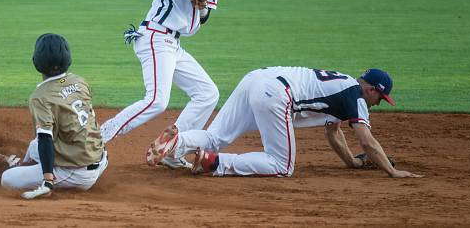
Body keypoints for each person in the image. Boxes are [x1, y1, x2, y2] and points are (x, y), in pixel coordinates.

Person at [99, 0, 233, 169]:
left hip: (174, 44)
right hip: (155, 35)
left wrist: (202, 3)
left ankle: (172, 149)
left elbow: (203, 18)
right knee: (157, 100)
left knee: (207, 93)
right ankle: (97, 138)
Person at [147, 67, 423, 178]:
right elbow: (367, 140)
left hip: (257, 77)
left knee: (217, 136)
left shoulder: (342, 84)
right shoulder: (356, 97)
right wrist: (392, 171)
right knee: (281, 166)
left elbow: (334, 132)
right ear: (372, 89)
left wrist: (351, 162)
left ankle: (178, 141)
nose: (378, 103)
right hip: (276, 94)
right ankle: (215, 163)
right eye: (380, 97)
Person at [1, 33, 108, 199]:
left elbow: (45, 139)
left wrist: (48, 180)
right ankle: (26, 165)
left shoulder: (40, 96)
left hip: (76, 173)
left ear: (36, 61)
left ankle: (39, 174)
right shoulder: (79, 81)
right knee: (34, 145)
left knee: (7, 179)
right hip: (100, 159)